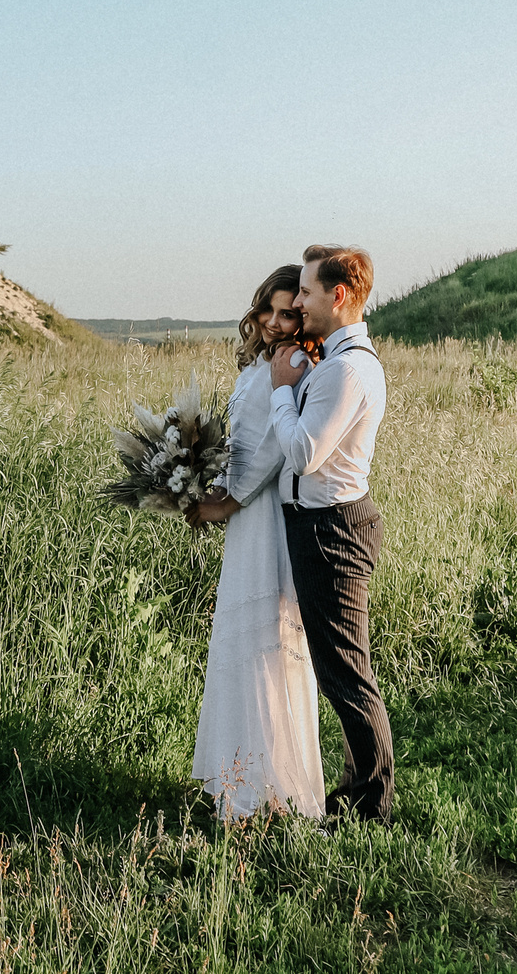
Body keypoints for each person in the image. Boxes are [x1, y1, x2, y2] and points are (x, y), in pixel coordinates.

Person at [184, 266, 326, 820]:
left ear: (304, 316)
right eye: (267, 308)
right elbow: (242, 440)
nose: (272, 322)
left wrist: (226, 500)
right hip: (246, 508)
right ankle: (245, 779)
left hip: (264, 512)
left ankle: (272, 791)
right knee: (246, 644)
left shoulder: (293, 362)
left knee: (266, 643)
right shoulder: (264, 362)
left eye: (288, 312)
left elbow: (269, 450)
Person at [265, 245, 392, 822]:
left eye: (309, 293)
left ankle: (371, 803)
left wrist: (278, 389)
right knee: (335, 664)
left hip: (332, 529)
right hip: (320, 525)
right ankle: (359, 788)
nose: (299, 302)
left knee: (345, 667)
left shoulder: (346, 369)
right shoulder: (337, 363)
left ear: (338, 295)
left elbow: (303, 452)